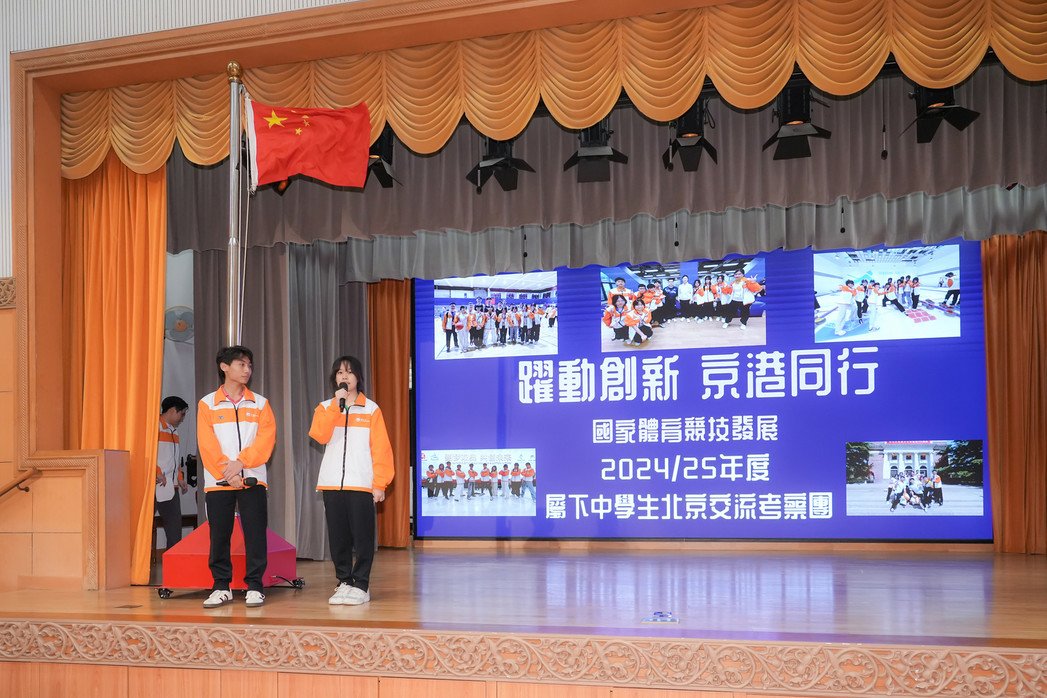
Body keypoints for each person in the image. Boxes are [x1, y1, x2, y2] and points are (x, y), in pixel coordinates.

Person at [308, 355, 394, 606]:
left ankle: (361, 584)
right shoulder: (326, 407)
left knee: (363, 538)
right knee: (338, 538)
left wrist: (380, 483)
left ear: (358, 376)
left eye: (349, 372)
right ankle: (344, 581)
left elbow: (381, 449)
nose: (344, 376)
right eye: (339, 372)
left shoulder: (371, 409)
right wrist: (336, 405)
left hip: (361, 483)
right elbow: (320, 435)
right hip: (332, 483)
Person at [198, 346, 276, 608]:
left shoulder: (260, 403)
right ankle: (221, 586)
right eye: (241, 364)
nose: (247, 370)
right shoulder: (207, 404)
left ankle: (255, 585)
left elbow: (266, 441)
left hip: (253, 479)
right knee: (219, 536)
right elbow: (207, 444)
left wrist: (241, 463)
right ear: (224, 367)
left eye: (249, 365)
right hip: (219, 482)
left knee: (255, 534)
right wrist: (228, 471)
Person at [155, 396, 189, 551]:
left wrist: (180, 478)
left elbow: (175, 459)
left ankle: (172, 562)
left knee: (174, 529)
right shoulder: (155, 427)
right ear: (173, 410)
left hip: (170, 485)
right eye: (182, 414)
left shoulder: (174, 432)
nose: (182, 418)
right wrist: (156, 472)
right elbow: (147, 454)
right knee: (144, 525)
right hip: (154, 484)